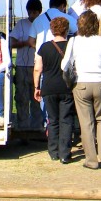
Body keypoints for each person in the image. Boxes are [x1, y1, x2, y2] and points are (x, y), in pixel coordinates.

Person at [62, 10, 101, 169]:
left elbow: (64, 65)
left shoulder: (74, 41)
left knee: (86, 123)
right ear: (96, 25)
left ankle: (91, 160)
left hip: (81, 84)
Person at [33, 16, 75, 163]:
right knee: (66, 120)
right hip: (66, 87)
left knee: (52, 120)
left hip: (49, 87)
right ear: (66, 30)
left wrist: (36, 87)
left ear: (51, 30)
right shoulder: (71, 46)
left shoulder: (44, 47)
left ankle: (53, 151)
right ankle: (65, 153)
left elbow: (38, 69)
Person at [10, 0, 44, 131]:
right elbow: (12, 42)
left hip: (38, 65)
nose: (32, 15)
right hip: (22, 66)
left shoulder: (42, 24)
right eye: (30, 12)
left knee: (37, 98)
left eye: (35, 12)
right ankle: (23, 128)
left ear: (39, 12)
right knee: (22, 99)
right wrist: (26, 43)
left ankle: (37, 127)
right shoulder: (21, 24)